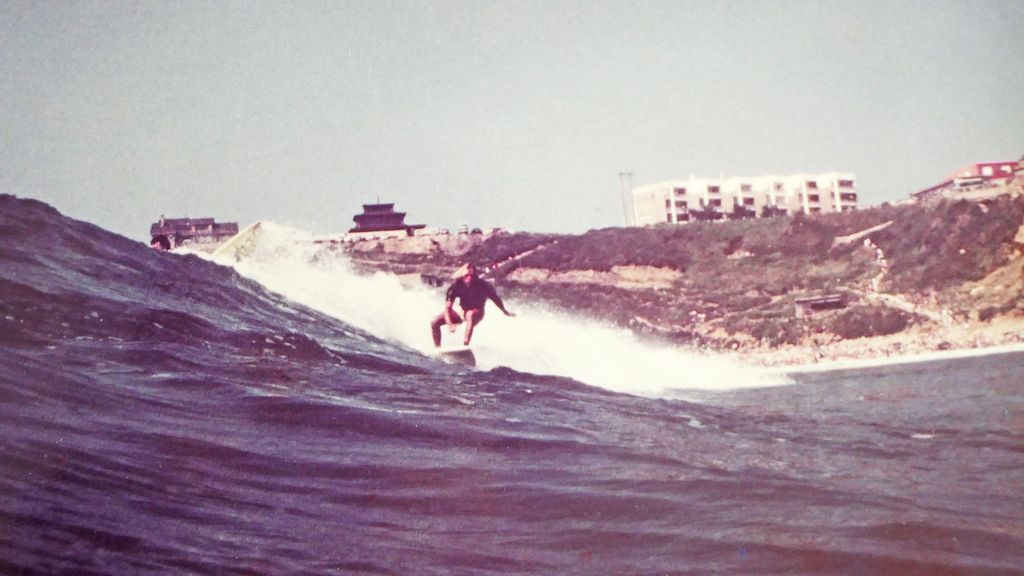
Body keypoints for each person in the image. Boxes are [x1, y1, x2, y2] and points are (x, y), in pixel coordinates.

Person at [431, 263, 514, 347]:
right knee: (434, 321)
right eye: (467, 275)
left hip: (477, 312)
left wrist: (504, 311)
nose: (469, 278)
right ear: (462, 276)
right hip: (462, 311)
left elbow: (496, 299)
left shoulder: (484, 286)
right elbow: (447, 308)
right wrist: (450, 324)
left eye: (472, 276)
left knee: (470, 314)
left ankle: (465, 345)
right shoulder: (456, 286)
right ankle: (438, 348)